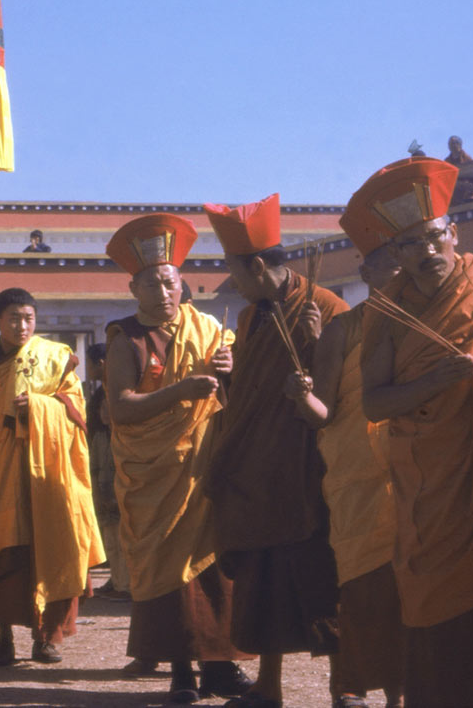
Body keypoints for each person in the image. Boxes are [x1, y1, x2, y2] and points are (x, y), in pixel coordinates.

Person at [104, 213, 253, 703]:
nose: (164, 293)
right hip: (155, 475)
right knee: (168, 569)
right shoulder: (125, 337)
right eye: (152, 284)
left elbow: (237, 391)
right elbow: (120, 410)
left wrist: (230, 371)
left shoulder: (207, 327)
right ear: (134, 289)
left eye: (170, 282)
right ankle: (181, 670)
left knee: (213, 567)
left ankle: (220, 666)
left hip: (205, 468)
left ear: (182, 284)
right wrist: (182, 390)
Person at [203, 193, 344, 707]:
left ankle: (342, 690)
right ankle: (270, 687)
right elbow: (250, 394)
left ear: (257, 265)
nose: (231, 281)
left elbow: (344, 392)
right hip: (258, 476)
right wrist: (228, 375)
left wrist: (323, 341)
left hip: (308, 474)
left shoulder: (325, 308)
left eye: (233, 271)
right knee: (264, 586)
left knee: (320, 584)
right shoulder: (250, 318)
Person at [356, 158, 473, 708]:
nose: (429, 253)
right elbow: (374, 402)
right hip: (431, 481)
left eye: (434, 238)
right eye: (411, 245)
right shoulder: (385, 310)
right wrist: (436, 381)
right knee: (435, 595)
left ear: (453, 233)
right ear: (396, 256)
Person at [283, 197, 406, 708]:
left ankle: (404, 694)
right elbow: (325, 412)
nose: (400, 270)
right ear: (366, 270)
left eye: (406, 258)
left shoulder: (435, 325)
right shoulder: (345, 329)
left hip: (418, 476)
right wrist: (299, 394)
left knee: (412, 590)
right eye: (387, 262)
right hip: (359, 477)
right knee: (361, 589)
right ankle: (349, 686)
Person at [0, 287, 105, 666]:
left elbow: (77, 411)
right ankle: (4, 638)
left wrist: (40, 407)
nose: (22, 325)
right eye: (13, 317)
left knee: (52, 544)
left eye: (28, 318)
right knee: (4, 553)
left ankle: (46, 639)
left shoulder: (56, 356)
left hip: (47, 470)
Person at [84, 342, 127, 599]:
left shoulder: (113, 388)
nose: (88, 369)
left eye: (89, 364)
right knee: (109, 530)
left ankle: (125, 582)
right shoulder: (102, 390)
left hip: (114, 451)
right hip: (101, 450)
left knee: (120, 530)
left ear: (101, 363)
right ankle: (117, 578)